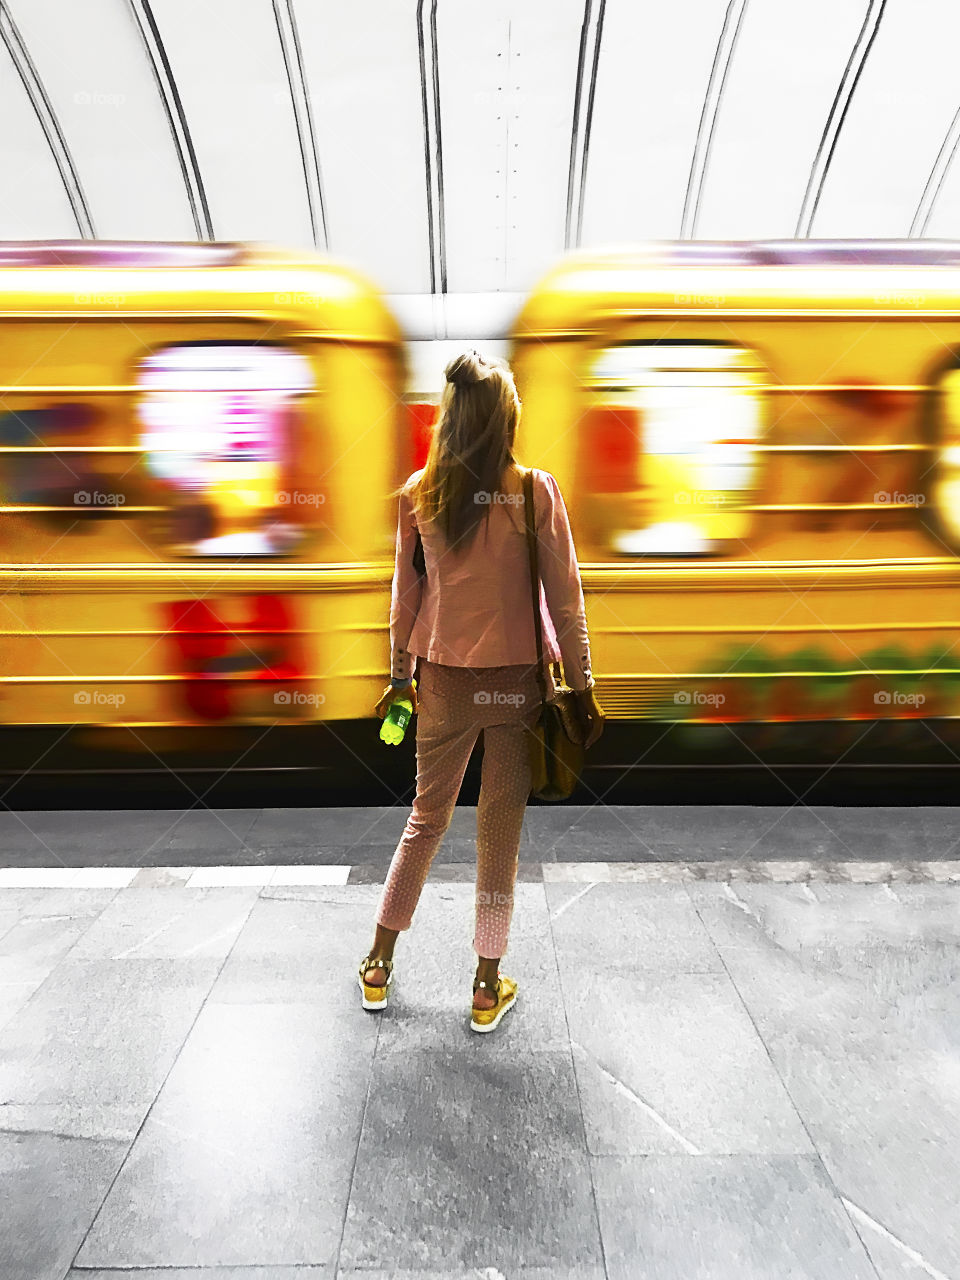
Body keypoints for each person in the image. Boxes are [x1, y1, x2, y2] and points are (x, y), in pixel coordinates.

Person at [359, 348, 604, 1032]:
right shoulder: (533, 491)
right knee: (499, 836)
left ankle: (379, 963)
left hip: (439, 680)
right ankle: (485, 985)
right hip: (516, 688)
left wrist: (398, 682)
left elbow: (404, 600)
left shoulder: (418, 495)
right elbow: (566, 602)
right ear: (506, 419)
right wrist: (582, 686)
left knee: (425, 819)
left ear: (450, 419)